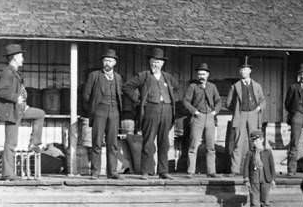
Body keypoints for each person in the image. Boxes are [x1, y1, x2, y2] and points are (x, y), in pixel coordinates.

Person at [125, 47, 179, 179]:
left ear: (162, 63)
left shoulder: (168, 77)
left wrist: (170, 102)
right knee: (148, 142)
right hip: (151, 110)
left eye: (158, 62)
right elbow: (127, 87)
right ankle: (145, 171)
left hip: (166, 110)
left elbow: (176, 89)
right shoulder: (144, 75)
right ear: (150, 62)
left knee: (164, 143)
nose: (156, 64)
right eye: (153, 61)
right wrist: (138, 100)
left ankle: (163, 171)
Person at [0, 43, 45, 180]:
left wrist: (24, 105)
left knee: (40, 114)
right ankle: (8, 174)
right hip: (11, 111)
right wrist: (16, 98)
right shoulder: (7, 72)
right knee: (11, 143)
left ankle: (34, 143)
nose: (23, 58)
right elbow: (1, 91)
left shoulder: (15, 73)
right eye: (21, 55)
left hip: (19, 109)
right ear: (15, 57)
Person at [81, 48, 124, 179]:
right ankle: (95, 172)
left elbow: (119, 95)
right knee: (97, 142)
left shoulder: (118, 77)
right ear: (102, 62)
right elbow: (86, 95)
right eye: (105, 60)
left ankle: (112, 172)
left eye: (110, 61)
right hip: (99, 111)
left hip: (114, 111)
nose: (107, 63)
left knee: (113, 143)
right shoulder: (94, 75)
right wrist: (94, 109)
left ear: (114, 63)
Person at [225, 57, 266, 176]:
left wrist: (259, 108)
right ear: (239, 72)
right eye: (242, 70)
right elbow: (228, 103)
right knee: (238, 142)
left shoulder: (257, 86)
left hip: (253, 114)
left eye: (246, 69)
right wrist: (237, 109)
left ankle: (255, 167)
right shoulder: (235, 86)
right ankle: (235, 169)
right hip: (241, 115)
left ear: (250, 71)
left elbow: (263, 100)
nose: (244, 72)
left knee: (255, 141)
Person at [182, 62, 222, 178]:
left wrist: (215, 111)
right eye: (199, 74)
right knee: (193, 145)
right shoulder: (193, 87)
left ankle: (211, 171)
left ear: (207, 75)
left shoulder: (212, 87)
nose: (201, 77)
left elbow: (218, 101)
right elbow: (185, 101)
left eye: (203, 74)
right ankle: (191, 171)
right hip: (197, 117)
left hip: (210, 117)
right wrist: (195, 111)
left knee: (210, 146)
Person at [241, 130, 275, 207]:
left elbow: (272, 167)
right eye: (253, 141)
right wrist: (246, 179)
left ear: (262, 139)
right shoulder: (250, 153)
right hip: (254, 180)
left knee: (266, 201)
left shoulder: (267, 152)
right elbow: (246, 167)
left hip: (266, 179)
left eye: (257, 140)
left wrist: (273, 179)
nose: (256, 142)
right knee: (254, 202)